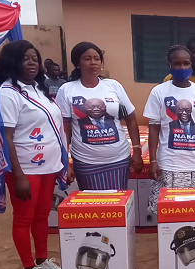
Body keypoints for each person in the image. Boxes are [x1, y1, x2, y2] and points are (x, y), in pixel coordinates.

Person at [0, 40, 68, 269]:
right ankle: (28, 268)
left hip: (48, 166)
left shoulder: (39, 90)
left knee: (42, 215)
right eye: (25, 58)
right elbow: (5, 137)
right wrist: (18, 175)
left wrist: (64, 163)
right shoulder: (7, 94)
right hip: (25, 168)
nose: (32, 63)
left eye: (35, 58)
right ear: (12, 62)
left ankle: (42, 260)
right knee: (24, 218)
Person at [56, 42, 143, 190]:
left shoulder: (113, 86)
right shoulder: (67, 89)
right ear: (77, 63)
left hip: (119, 159)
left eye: (97, 58)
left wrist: (137, 150)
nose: (93, 62)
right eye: (87, 58)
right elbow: (63, 129)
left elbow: (131, 119)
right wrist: (65, 162)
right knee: (92, 207)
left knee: (117, 206)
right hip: (86, 161)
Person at [144, 45, 195, 214]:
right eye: (177, 64)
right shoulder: (158, 92)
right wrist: (153, 161)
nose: (182, 67)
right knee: (169, 212)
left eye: (186, 63)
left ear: (191, 65)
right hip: (169, 163)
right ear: (170, 66)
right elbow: (153, 127)